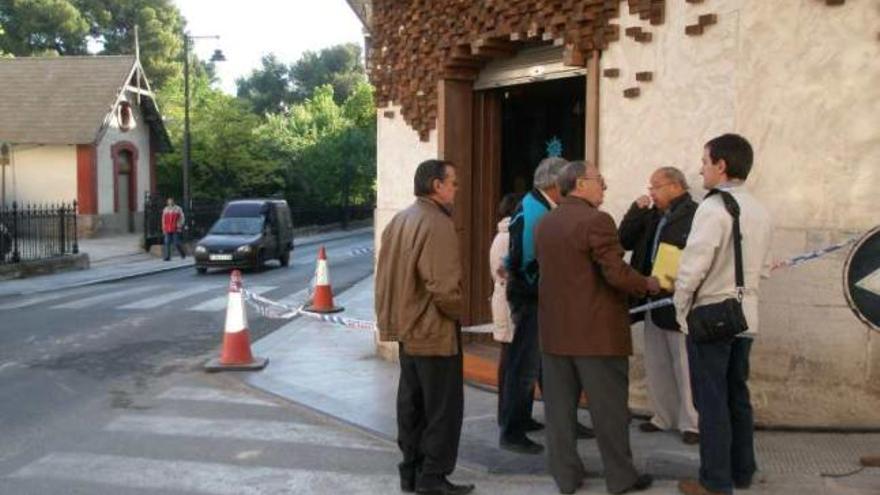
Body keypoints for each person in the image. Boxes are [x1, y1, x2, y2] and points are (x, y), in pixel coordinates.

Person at [536, 160, 659, 494]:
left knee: (560, 414)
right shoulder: (596, 220)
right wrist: (648, 283)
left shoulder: (546, 222)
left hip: (555, 333)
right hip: (597, 335)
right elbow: (616, 273)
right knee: (610, 413)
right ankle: (621, 478)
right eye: (600, 181)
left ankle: (566, 477)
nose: (604, 187)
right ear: (579, 184)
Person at [674, 134, 773, 495]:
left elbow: (692, 267)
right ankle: (742, 471)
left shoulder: (712, 208)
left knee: (710, 400)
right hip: (747, 315)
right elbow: (760, 268)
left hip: (713, 314)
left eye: (704, 162)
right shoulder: (761, 209)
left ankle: (714, 482)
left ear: (722, 165)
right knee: (737, 395)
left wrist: (681, 308)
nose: (700, 169)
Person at [375, 159, 474, 495]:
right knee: (442, 410)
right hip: (434, 333)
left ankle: (411, 473)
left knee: (412, 405)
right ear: (437, 186)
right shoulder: (437, 223)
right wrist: (461, 312)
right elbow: (444, 288)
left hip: (408, 332)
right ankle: (432, 478)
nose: (456, 189)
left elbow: (386, 278)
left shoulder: (400, 220)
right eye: (454, 183)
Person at [501, 157, 579, 455]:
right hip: (533, 297)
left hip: (537, 295)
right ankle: (513, 431)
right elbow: (527, 259)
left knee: (545, 365)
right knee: (525, 366)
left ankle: (555, 420)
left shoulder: (540, 205)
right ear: (553, 183)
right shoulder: (536, 209)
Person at [619, 167, 700, 445]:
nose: (651, 191)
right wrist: (635, 211)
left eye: (656, 186)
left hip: (679, 301)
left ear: (676, 186)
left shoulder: (695, 214)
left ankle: (691, 422)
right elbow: (624, 241)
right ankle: (662, 416)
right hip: (651, 298)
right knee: (657, 362)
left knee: (684, 364)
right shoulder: (652, 213)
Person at [489, 192, 522, 424]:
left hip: (509, 302)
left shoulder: (505, 235)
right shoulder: (507, 237)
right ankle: (506, 415)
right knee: (510, 360)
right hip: (509, 304)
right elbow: (506, 273)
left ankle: (517, 414)